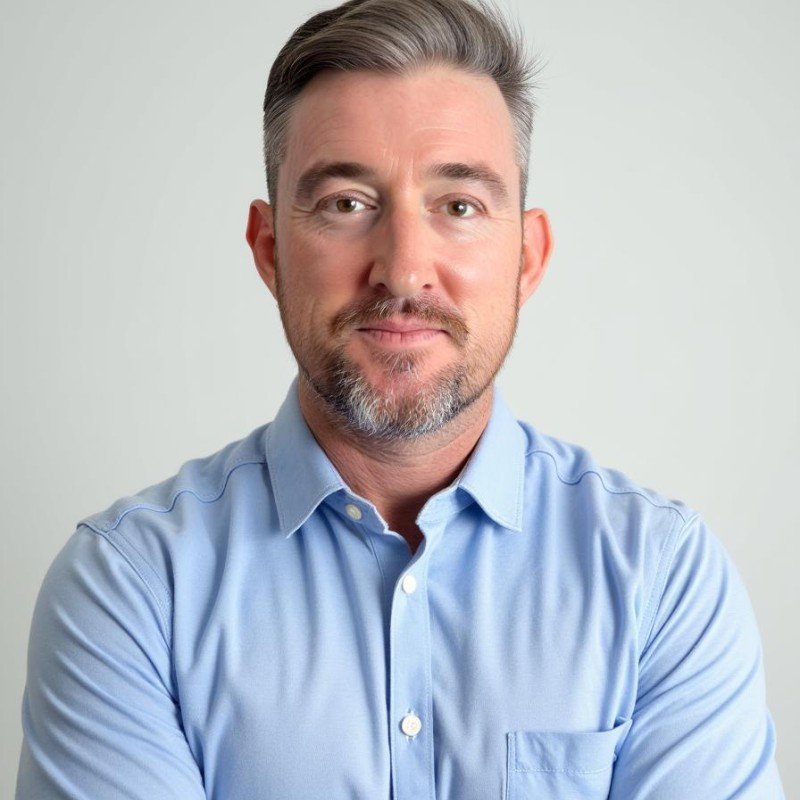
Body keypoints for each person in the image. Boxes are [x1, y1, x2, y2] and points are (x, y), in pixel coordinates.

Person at [16, 0, 784, 798]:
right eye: (348, 203)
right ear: (271, 249)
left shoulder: (660, 579)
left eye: (458, 207)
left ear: (527, 255)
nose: (403, 270)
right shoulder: (130, 589)